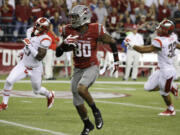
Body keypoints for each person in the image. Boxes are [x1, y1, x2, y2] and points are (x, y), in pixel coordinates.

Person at [56, 5, 119, 135]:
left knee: (81, 88)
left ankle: (96, 111)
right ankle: (87, 124)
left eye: (75, 17)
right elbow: (58, 52)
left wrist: (116, 60)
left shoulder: (95, 29)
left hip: (92, 66)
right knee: (76, 100)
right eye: (71, 17)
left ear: (84, 17)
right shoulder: (67, 30)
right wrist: (64, 43)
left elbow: (112, 41)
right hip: (78, 68)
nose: (72, 20)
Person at [125, 19, 179, 116]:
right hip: (161, 69)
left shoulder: (160, 41)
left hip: (167, 71)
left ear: (166, 31)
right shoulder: (172, 38)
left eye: (161, 28)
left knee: (164, 93)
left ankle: (171, 109)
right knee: (147, 87)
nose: (158, 29)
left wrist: (131, 44)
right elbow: (178, 45)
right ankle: (172, 87)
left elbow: (143, 50)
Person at [0, 17, 55, 111]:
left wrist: (29, 45)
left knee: (36, 91)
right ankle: (4, 103)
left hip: (35, 68)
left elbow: (39, 57)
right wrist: (23, 51)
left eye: (40, 26)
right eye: (37, 24)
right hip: (23, 64)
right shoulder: (29, 31)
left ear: (45, 29)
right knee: (9, 80)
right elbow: (27, 46)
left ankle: (49, 94)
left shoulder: (46, 39)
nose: (36, 27)